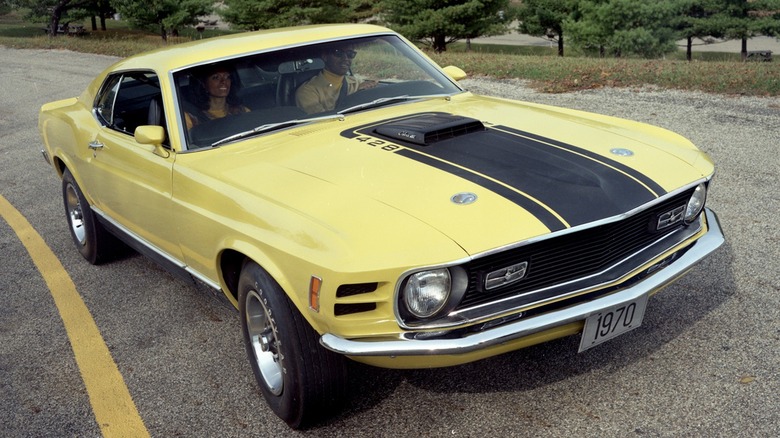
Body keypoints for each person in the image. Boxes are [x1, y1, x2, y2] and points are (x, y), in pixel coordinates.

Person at [295, 45, 377, 114]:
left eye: (350, 54)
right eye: (338, 53)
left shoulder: (357, 82)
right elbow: (326, 123)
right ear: (325, 56)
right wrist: (354, 96)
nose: (345, 58)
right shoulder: (307, 91)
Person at [184, 65, 249, 130]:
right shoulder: (191, 118)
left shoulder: (242, 111)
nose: (223, 81)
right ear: (203, 84)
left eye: (227, 77)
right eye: (216, 77)